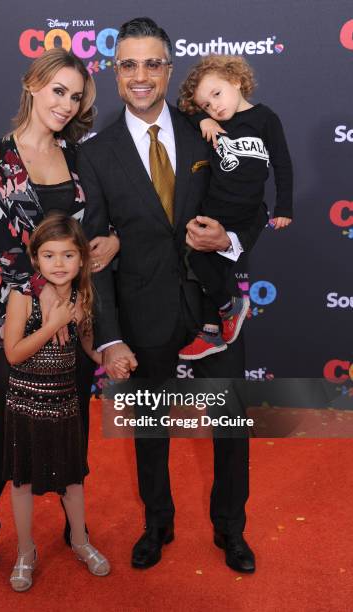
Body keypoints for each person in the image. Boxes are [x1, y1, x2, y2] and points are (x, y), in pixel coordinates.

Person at [79, 17, 266, 573]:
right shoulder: (95, 154)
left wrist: (228, 238)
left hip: (213, 309)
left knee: (231, 427)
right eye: (129, 64)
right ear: (115, 74)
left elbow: (253, 207)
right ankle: (157, 524)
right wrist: (109, 336)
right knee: (150, 428)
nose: (141, 76)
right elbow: (96, 256)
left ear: (169, 69)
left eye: (152, 64)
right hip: (142, 312)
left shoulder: (209, 130)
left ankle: (231, 529)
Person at [0, 48, 120, 580]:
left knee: (72, 433)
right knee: (4, 432)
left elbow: (101, 224)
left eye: (76, 97)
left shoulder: (80, 158)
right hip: (20, 320)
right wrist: (49, 304)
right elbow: (3, 248)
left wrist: (111, 243)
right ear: (33, 84)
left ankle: (76, 532)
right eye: (59, 90)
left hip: (77, 324)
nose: (67, 104)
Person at [3, 213, 112, 591]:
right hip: (26, 400)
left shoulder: (82, 295)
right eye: (49, 256)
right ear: (36, 260)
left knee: (73, 478)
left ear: (82, 258)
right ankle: (25, 550)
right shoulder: (22, 295)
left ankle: (80, 541)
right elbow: (13, 354)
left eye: (68, 255)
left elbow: (85, 341)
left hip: (65, 399)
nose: (59, 264)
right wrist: (51, 325)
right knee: (22, 481)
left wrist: (107, 360)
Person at [177, 54, 293, 360]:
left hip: (246, 215)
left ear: (236, 81)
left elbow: (282, 163)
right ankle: (213, 330)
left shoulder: (264, 118)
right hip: (214, 209)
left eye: (217, 94)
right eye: (206, 104)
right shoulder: (211, 123)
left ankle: (224, 315)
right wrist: (202, 118)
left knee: (213, 270)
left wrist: (284, 207)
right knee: (200, 266)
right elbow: (181, 110)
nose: (214, 106)